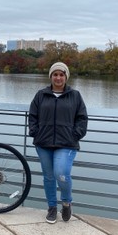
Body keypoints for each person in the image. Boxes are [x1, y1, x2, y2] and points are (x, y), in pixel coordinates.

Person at [28, 62, 88, 224]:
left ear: (66, 77)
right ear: (51, 77)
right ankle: (52, 208)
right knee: (48, 177)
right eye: (55, 74)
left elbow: (82, 118)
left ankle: (67, 202)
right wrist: (35, 131)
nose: (58, 77)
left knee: (61, 173)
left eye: (61, 74)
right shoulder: (41, 95)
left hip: (66, 143)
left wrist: (75, 134)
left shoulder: (75, 96)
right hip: (44, 143)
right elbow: (32, 116)